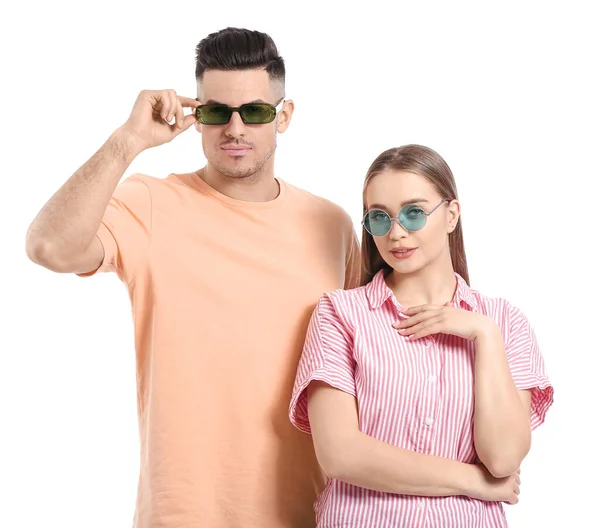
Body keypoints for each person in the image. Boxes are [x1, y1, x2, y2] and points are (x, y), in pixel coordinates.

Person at [25, 28, 360, 528]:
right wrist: (127, 141)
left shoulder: (331, 225)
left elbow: (366, 369)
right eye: (216, 112)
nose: (235, 128)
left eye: (255, 111)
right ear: (196, 115)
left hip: (306, 513)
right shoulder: (152, 204)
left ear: (283, 116)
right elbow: (49, 246)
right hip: (182, 514)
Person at [289, 144, 553, 527]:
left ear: (451, 215)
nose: (396, 233)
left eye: (414, 213)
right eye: (379, 218)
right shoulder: (340, 315)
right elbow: (341, 455)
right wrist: (473, 482)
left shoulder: (503, 322)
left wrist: (483, 334)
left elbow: (503, 459)